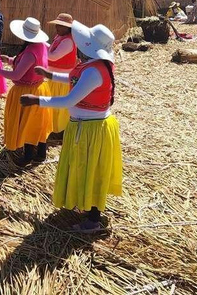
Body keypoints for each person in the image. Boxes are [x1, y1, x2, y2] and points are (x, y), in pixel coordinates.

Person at [21, 22, 123, 232]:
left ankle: (93, 220)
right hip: (85, 127)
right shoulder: (91, 64)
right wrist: (50, 75)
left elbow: (68, 100)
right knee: (83, 167)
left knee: (91, 170)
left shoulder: (95, 71)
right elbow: (73, 77)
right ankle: (85, 206)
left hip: (92, 130)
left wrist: (37, 101)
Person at [0, 17, 52, 166]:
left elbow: (17, 75)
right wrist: (11, 61)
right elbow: (29, 66)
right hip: (40, 88)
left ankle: (27, 157)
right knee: (39, 123)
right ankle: (41, 154)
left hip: (26, 91)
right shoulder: (42, 45)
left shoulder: (30, 51)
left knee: (27, 123)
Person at [45, 13, 77, 136]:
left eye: (60, 26)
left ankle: (59, 129)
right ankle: (52, 126)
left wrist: (41, 49)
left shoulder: (68, 40)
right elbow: (52, 49)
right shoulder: (59, 36)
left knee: (59, 106)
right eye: (57, 25)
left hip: (61, 78)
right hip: (53, 76)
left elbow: (54, 56)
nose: (57, 28)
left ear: (68, 28)